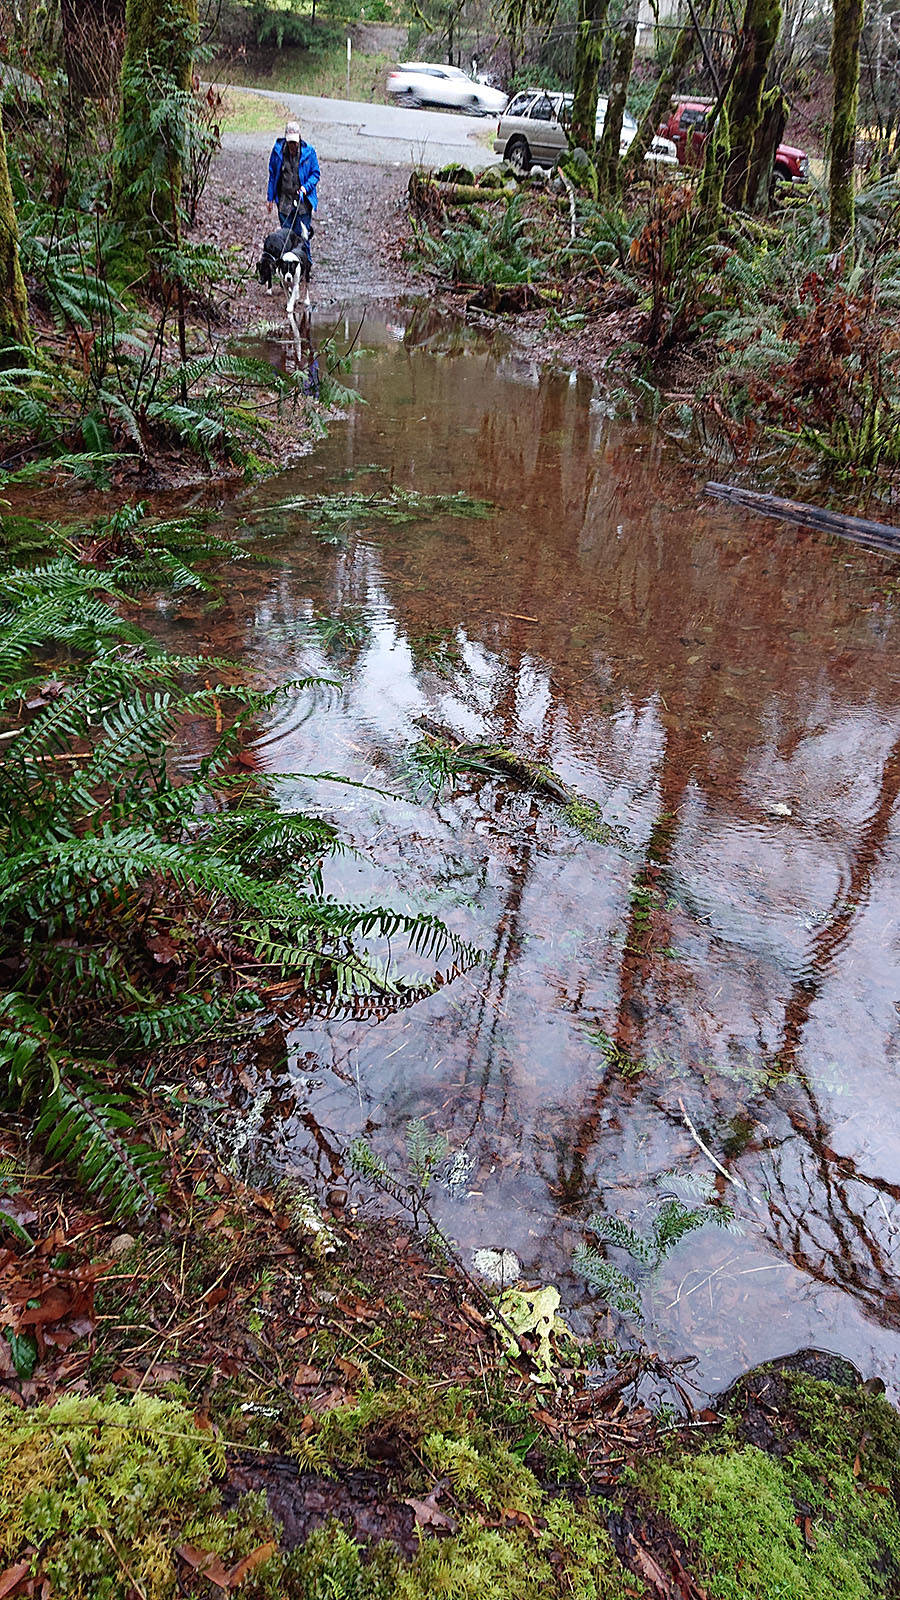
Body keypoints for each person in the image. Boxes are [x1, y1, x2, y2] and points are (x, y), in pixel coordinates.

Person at [267, 120, 320, 233]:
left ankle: (304, 252)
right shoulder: (277, 151)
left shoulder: (309, 152)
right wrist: (270, 198)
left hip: (303, 204)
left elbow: (315, 174)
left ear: (299, 138)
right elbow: (272, 175)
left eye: (294, 142)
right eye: (290, 142)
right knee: (286, 236)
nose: (292, 145)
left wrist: (306, 187)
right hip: (284, 203)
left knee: (302, 239)